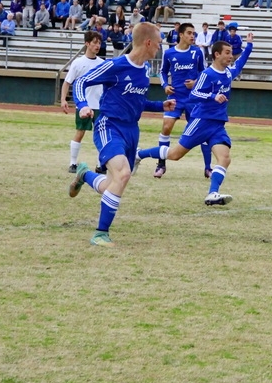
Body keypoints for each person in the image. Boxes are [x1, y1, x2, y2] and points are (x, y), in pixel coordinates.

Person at [67, 22, 175, 246]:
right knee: (123, 173)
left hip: (131, 131)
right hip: (109, 126)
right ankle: (100, 234)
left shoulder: (144, 71)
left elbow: (137, 101)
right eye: (158, 43)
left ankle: (85, 174)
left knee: (113, 183)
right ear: (147, 43)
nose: (159, 48)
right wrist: (83, 104)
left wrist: (160, 106)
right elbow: (81, 81)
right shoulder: (115, 65)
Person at [136, 33, 254, 206]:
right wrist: (213, 96)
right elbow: (194, 95)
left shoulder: (228, 73)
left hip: (217, 124)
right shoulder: (207, 74)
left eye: (231, 53)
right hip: (201, 121)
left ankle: (212, 193)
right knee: (175, 155)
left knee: (225, 158)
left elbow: (241, 61)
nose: (231, 56)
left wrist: (249, 45)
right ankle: (139, 154)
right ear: (217, 54)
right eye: (227, 53)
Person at [150, 22, 213, 178]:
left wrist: (196, 83)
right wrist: (165, 85)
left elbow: (204, 73)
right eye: (190, 33)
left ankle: (208, 168)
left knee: (202, 131)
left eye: (194, 33)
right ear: (181, 35)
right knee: (166, 127)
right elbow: (163, 72)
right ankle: (161, 164)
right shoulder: (169, 53)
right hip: (175, 97)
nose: (193, 36)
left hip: (194, 99)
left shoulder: (197, 52)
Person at [60, 31, 105, 173]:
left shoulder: (102, 63)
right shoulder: (78, 63)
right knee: (80, 132)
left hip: (100, 106)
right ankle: (73, 163)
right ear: (87, 43)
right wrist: (63, 99)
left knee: (101, 135)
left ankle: (100, 164)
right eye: (94, 43)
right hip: (84, 105)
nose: (97, 46)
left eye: (99, 43)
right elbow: (67, 82)